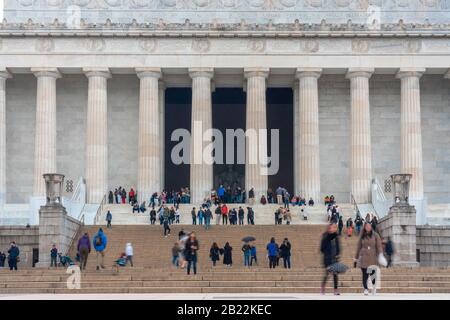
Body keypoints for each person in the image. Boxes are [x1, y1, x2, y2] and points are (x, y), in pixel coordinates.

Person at [354, 222, 383, 295]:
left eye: (369, 226)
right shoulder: (362, 235)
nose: (368, 227)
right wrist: (356, 257)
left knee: (373, 274)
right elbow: (358, 246)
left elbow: (379, 246)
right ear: (364, 227)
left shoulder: (375, 235)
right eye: (366, 226)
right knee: (365, 274)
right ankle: (365, 288)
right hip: (363, 257)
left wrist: (380, 254)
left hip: (373, 257)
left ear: (371, 227)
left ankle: (374, 288)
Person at [320, 223, 341, 295]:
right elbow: (321, 248)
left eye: (334, 228)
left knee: (335, 274)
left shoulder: (336, 237)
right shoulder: (325, 236)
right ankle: (323, 287)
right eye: (331, 227)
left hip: (334, 258)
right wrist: (327, 253)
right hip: (327, 258)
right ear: (329, 228)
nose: (333, 229)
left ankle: (335, 290)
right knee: (327, 273)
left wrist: (338, 254)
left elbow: (338, 247)